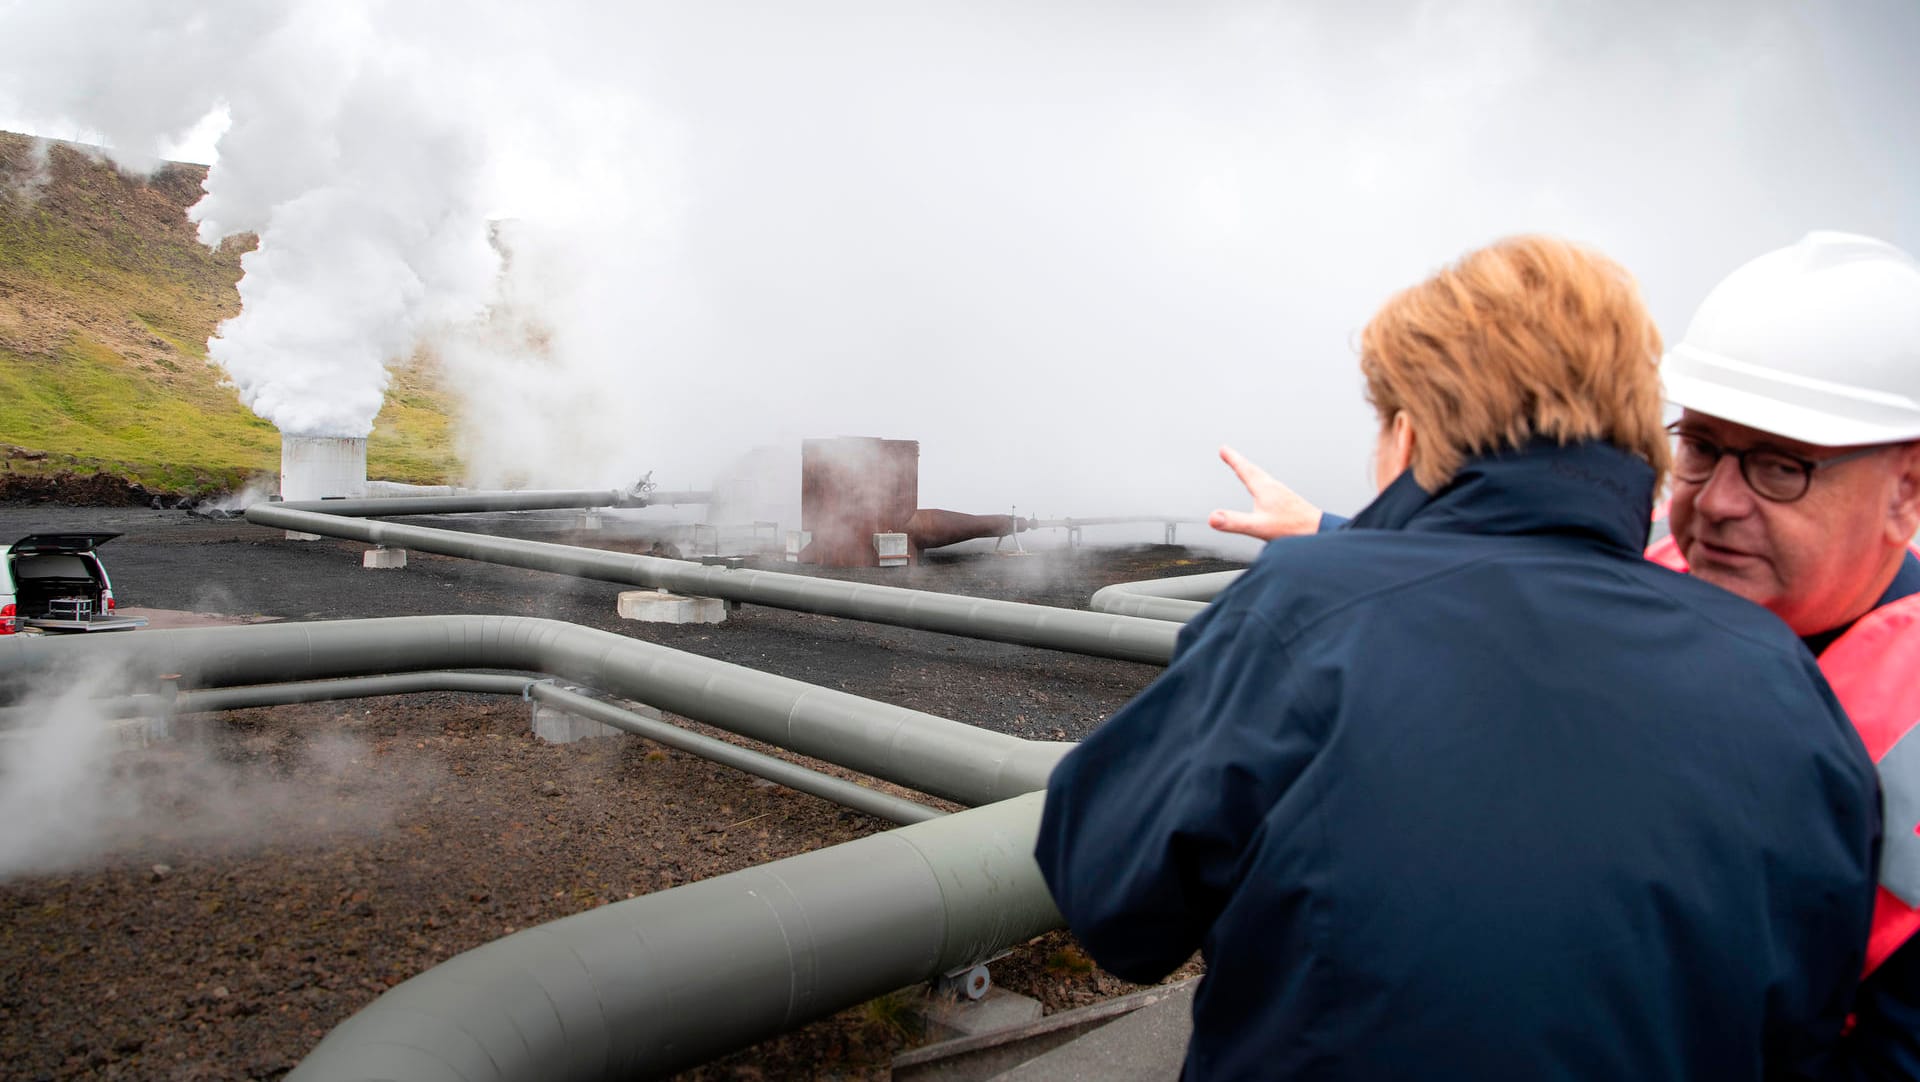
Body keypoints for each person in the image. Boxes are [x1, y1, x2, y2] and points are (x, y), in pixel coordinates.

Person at [1035, 236, 1880, 1081]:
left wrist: (1360, 548)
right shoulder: (1786, 683)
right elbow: (1803, 1023)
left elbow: (1114, 901)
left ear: (1409, 434)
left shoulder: (1305, 611)